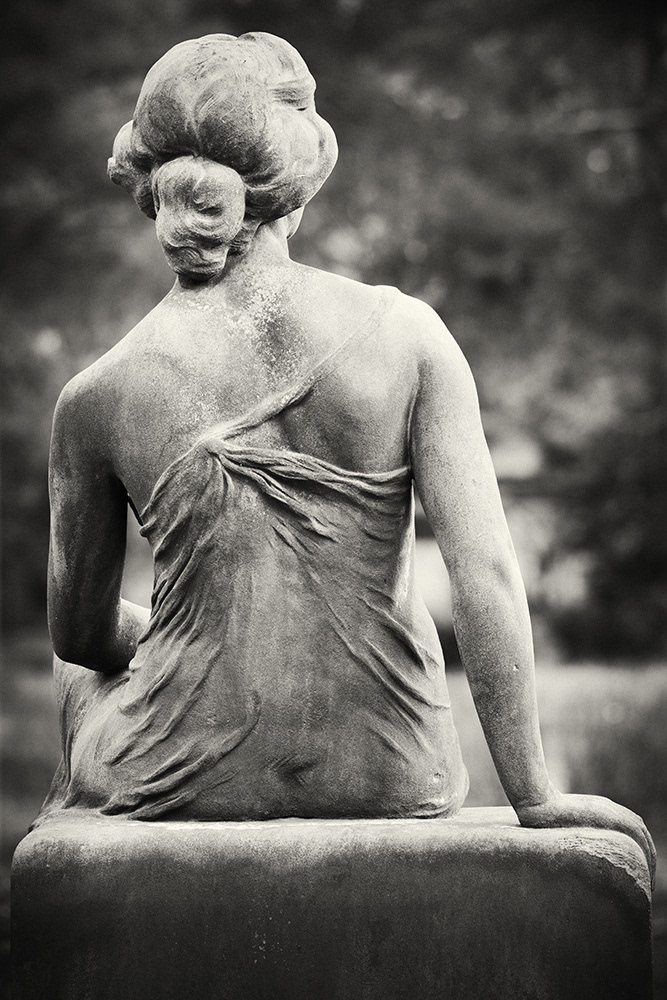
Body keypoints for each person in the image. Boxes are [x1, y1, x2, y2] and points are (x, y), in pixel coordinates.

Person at [40, 31, 655, 880]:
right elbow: (483, 572)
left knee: (76, 683)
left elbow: (79, 634)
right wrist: (534, 796)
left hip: (181, 773)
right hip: (394, 765)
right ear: (295, 184)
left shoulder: (97, 394)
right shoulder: (406, 334)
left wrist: (179, 636)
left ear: (154, 192)